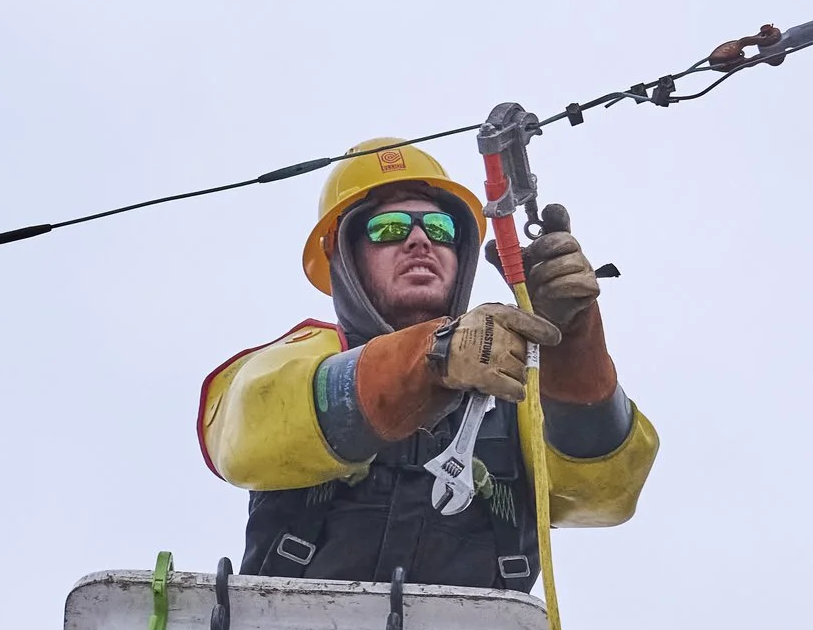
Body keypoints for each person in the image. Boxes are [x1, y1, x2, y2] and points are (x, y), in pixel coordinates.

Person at [198, 138, 656, 590]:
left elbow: (605, 495)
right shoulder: (304, 358)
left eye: (440, 228)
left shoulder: (514, 388)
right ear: (344, 255)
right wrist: (433, 357)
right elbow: (245, 435)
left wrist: (571, 348)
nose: (419, 240)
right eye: (389, 228)